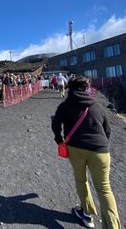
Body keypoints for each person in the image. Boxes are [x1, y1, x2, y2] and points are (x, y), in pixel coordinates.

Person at [51, 76, 121, 229]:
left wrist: (59, 140)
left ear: (70, 88)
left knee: (81, 180)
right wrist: (101, 145)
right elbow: (107, 129)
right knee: (104, 189)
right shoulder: (96, 105)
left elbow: (56, 124)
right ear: (86, 88)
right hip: (100, 151)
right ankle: (113, 226)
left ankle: (87, 213)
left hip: (76, 148)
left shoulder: (65, 106)